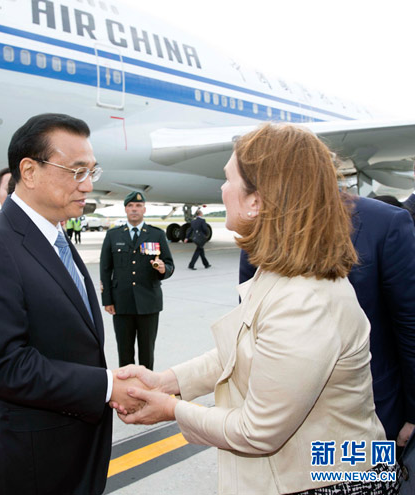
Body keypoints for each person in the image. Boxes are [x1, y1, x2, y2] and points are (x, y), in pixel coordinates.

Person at [113, 124, 400, 494]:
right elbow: (236, 353)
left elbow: (258, 431)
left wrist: (170, 409)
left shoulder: (304, 300)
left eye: (228, 179)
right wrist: (165, 382)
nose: (221, 189)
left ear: (256, 200)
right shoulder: (280, 272)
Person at [0, 113, 144, 495]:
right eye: (76, 171)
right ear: (29, 170)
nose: (88, 185)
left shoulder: (55, 236)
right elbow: (6, 366)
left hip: (76, 447)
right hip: (35, 462)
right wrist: (107, 386)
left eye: (92, 171)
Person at [240, 191, 415, 449]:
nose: (225, 188)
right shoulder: (260, 229)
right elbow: (248, 325)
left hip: (370, 419)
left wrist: (412, 415)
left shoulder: (384, 223)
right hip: (287, 421)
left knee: (374, 485)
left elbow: (409, 326)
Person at [99, 191, 174, 370]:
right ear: (125, 209)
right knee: (124, 352)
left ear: (144, 209)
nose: (134, 209)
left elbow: (169, 265)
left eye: (138, 206)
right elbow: (105, 269)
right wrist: (107, 300)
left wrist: (163, 269)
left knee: (147, 351)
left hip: (148, 302)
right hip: (121, 302)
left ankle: (146, 390)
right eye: (131, 206)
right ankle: (128, 391)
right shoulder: (113, 235)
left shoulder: (156, 235)